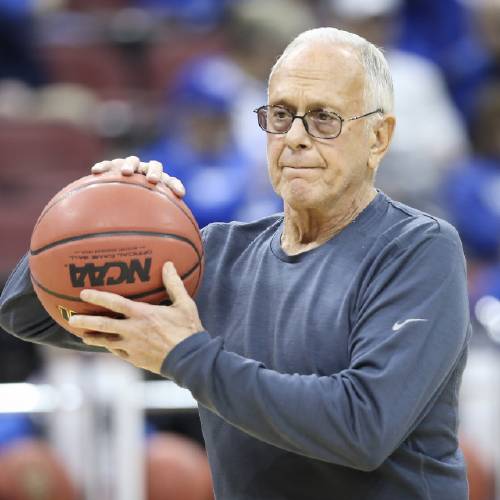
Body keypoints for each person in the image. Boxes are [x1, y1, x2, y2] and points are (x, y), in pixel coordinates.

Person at [0, 27, 471, 499]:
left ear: (378, 137)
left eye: (324, 118)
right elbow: (26, 315)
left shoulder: (419, 249)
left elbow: (362, 426)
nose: (296, 138)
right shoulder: (217, 257)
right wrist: (96, 210)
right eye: (281, 115)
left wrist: (186, 355)